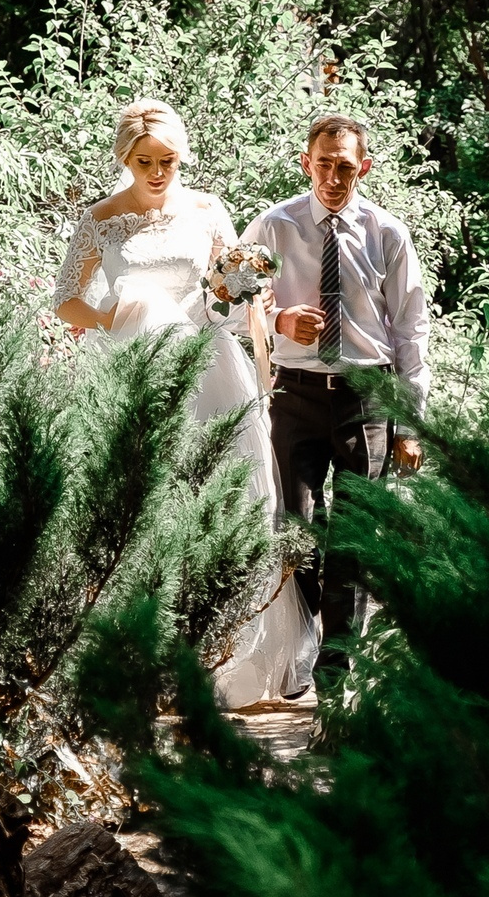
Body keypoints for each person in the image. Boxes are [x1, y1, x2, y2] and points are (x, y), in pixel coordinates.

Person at [49, 100, 314, 705]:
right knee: (144, 503)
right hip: (138, 370)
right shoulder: (102, 218)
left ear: (181, 158)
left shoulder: (207, 210)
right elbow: (65, 298)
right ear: (125, 159)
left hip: (208, 365)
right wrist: (111, 317)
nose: (156, 172)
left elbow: (231, 288)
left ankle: (228, 659)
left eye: (167, 161)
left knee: (229, 497)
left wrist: (239, 287)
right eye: (144, 161)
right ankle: (147, 657)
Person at [240, 113, 430, 673]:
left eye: (344, 166)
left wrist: (411, 423)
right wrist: (278, 321)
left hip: (366, 398)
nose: (332, 177)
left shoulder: (388, 234)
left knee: (352, 537)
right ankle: (300, 651)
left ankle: (335, 668)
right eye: (323, 164)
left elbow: (411, 330)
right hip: (294, 394)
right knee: (295, 528)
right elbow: (222, 299)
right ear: (306, 163)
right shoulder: (273, 226)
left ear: (363, 168)